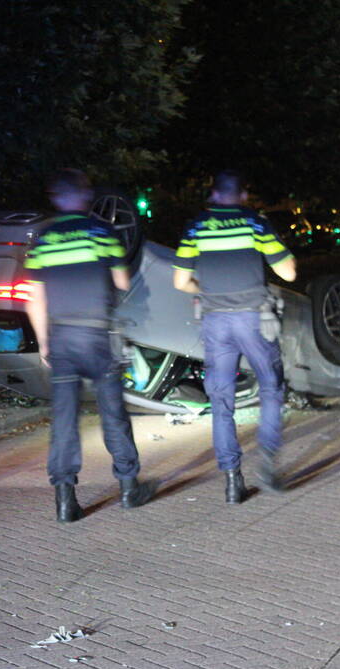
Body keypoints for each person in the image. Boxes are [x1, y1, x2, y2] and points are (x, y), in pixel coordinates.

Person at [24, 168, 153, 523]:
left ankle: (65, 501)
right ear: (83, 197)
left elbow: (32, 297)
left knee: (64, 419)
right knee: (113, 413)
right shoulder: (101, 231)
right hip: (98, 335)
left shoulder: (44, 239)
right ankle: (129, 487)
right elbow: (122, 280)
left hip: (62, 338)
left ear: (55, 198)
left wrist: (44, 342)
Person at [172, 170, 296, 504]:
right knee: (271, 386)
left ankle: (232, 480)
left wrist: (207, 291)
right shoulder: (255, 223)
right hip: (253, 319)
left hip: (215, 322)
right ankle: (268, 463)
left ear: (212, 195)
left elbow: (181, 282)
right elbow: (289, 271)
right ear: (243, 195)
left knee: (221, 399)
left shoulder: (196, 226)